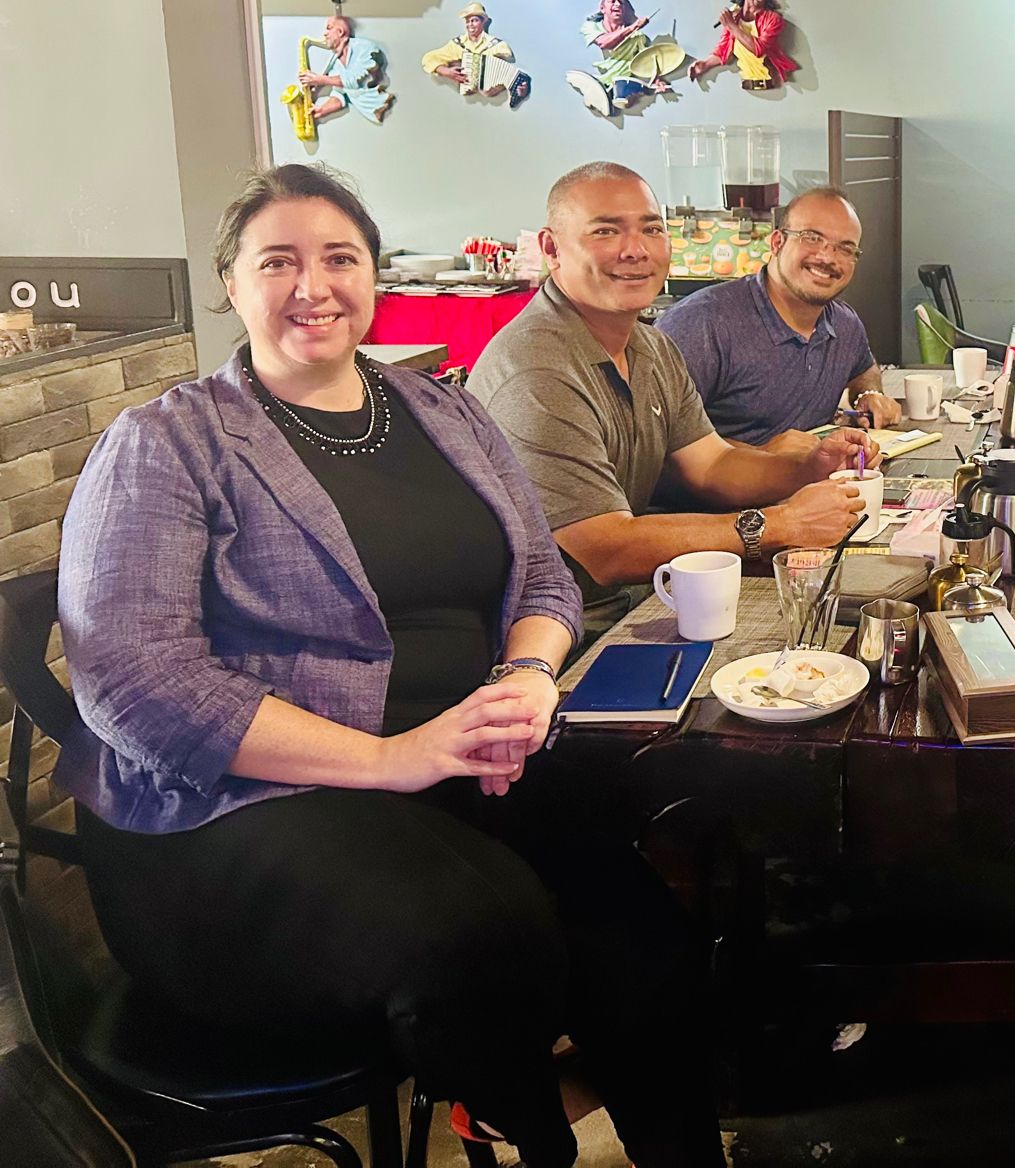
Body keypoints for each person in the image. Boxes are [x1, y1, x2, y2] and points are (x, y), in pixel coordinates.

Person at [57, 164, 721, 1168]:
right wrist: (391, 758)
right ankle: (529, 1132)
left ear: (374, 275)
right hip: (237, 813)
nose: (312, 286)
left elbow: (543, 576)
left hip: (455, 761)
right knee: (486, 934)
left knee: (643, 929)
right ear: (231, 283)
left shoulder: (441, 411)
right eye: (277, 262)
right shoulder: (167, 442)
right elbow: (132, 682)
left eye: (340, 258)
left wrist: (525, 678)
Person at [469, 163, 867, 631]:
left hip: (641, 592)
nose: (635, 250)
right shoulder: (536, 369)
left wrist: (808, 468)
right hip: (556, 630)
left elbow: (712, 464)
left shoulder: (650, 345)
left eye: (651, 229)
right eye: (606, 231)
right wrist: (782, 524)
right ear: (552, 249)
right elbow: (607, 549)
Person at [656, 187, 902, 451]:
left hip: (820, 475)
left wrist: (869, 394)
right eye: (812, 238)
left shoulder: (845, 324)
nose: (827, 257)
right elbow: (656, 441)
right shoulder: (702, 323)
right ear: (776, 243)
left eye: (845, 248)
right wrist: (765, 455)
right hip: (729, 479)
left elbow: (864, 368)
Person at [687, 0, 799, 90]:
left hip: (771, 87)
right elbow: (723, 51)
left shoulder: (772, 19)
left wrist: (731, 26)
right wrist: (704, 65)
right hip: (745, 88)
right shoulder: (734, 18)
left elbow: (759, 49)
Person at [422, 0, 528, 105]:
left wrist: (520, 91)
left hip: (492, 104)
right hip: (461, 103)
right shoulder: (457, 44)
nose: (470, 25)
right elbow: (428, 58)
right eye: (467, 21)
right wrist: (446, 71)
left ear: (483, 22)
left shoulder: (498, 46)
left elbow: (507, 72)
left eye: (474, 20)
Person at [299, 12, 392, 125]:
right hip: (369, 109)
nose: (325, 34)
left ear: (340, 32)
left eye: (329, 28)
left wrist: (320, 80)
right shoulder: (335, 62)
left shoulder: (364, 47)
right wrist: (322, 110)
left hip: (377, 101)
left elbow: (354, 80)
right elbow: (340, 93)